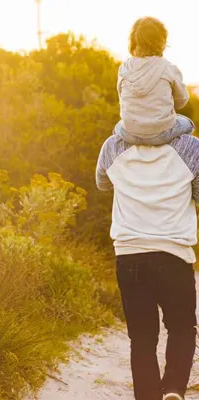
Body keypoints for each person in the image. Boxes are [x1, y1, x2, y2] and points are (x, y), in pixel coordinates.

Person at [96, 16, 198, 400]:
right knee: (183, 328)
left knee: (141, 338)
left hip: (130, 255)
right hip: (173, 253)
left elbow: (102, 183)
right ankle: (173, 389)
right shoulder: (190, 148)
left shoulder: (113, 147)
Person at [115, 16, 194, 146]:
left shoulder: (124, 68)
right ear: (161, 41)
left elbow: (122, 100)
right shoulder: (168, 67)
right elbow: (181, 102)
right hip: (161, 134)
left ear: (134, 40)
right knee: (188, 123)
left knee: (118, 126)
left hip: (130, 134)